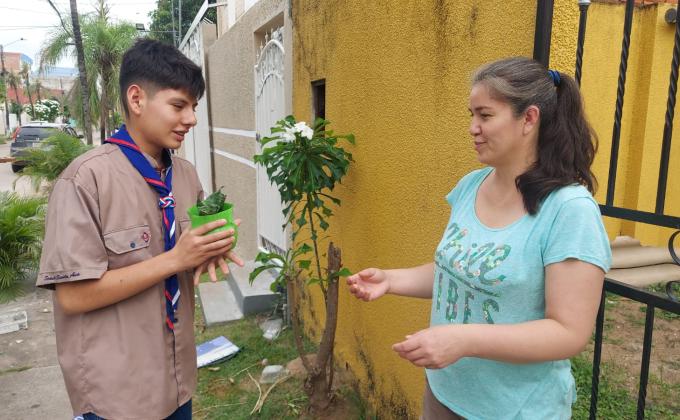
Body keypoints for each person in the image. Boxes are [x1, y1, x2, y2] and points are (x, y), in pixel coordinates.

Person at [346, 57, 612, 420]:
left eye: (485, 116)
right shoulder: (471, 186)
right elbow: (460, 271)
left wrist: (463, 340)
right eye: (471, 115)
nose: (473, 128)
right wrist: (391, 280)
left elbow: (568, 333)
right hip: (444, 394)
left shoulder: (569, 210)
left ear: (529, 119)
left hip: (515, 410)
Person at [36, 39, 243, 419]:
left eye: (194, 107)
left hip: (177, 379)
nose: (191, 119)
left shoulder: (185, 175)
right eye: (178, 106)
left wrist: (209, 250)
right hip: (117, 393)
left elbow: (185, 256)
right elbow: (73, 297)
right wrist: (175, 258)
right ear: (136, 99)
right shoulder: (85, 180)